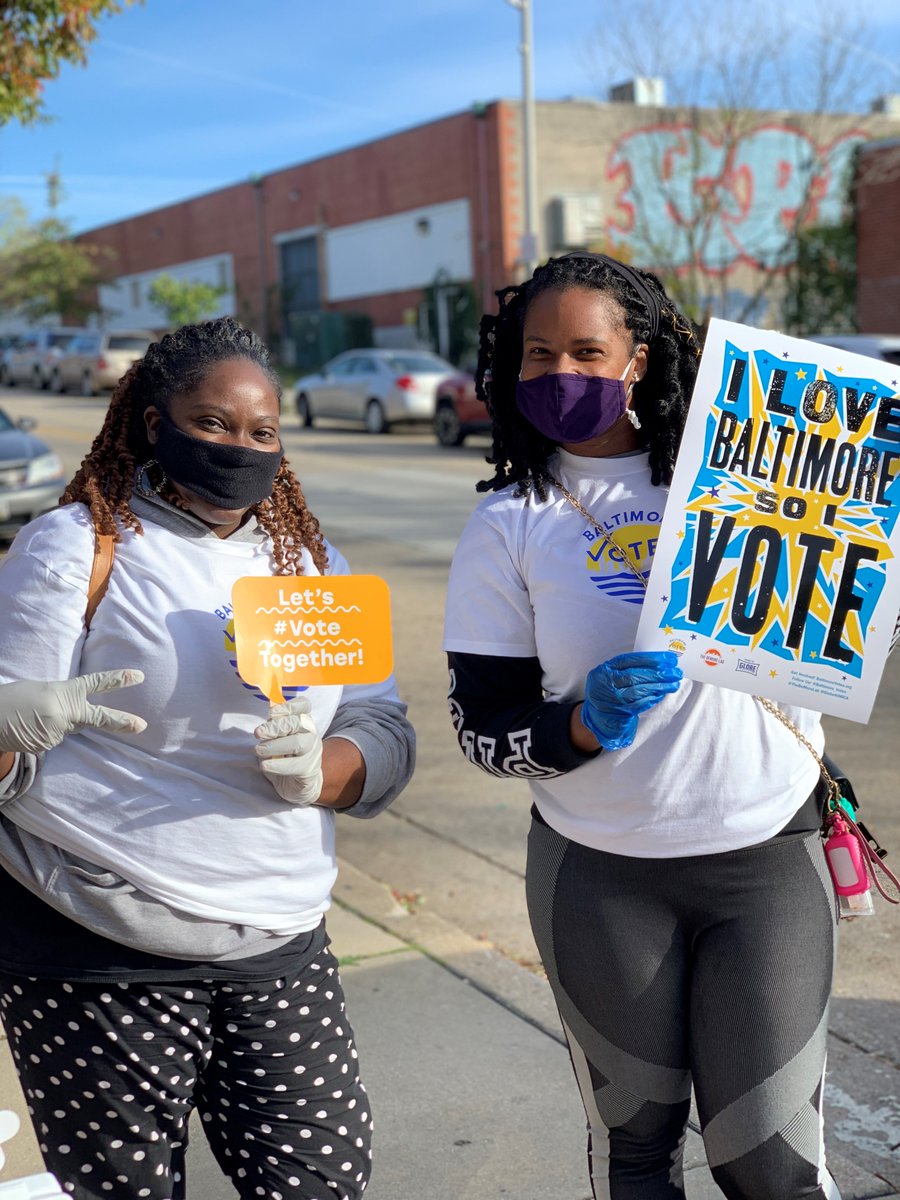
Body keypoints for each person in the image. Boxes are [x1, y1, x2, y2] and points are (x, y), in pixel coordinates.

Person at [442, 253, 843, 1200]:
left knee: (771, 1167)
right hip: (599, 872)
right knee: (636, 1158)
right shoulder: (509, 521)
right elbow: (482, 725)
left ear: (643, 355)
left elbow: (854, 624)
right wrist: (579, 725)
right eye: (538, 355)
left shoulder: (761, 478)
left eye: (587, 350)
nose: (560, 375)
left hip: (767, 853)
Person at [0, 317, 415, 1200]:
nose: (240, 446)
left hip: (280, 938)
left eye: (261, 431)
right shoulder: (74, 548)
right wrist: (10, 728)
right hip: (96, 945)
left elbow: (384, 727)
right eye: (213, 423)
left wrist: (324, 771)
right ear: (155, 424)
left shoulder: (314, 565)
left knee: (321, 1182)